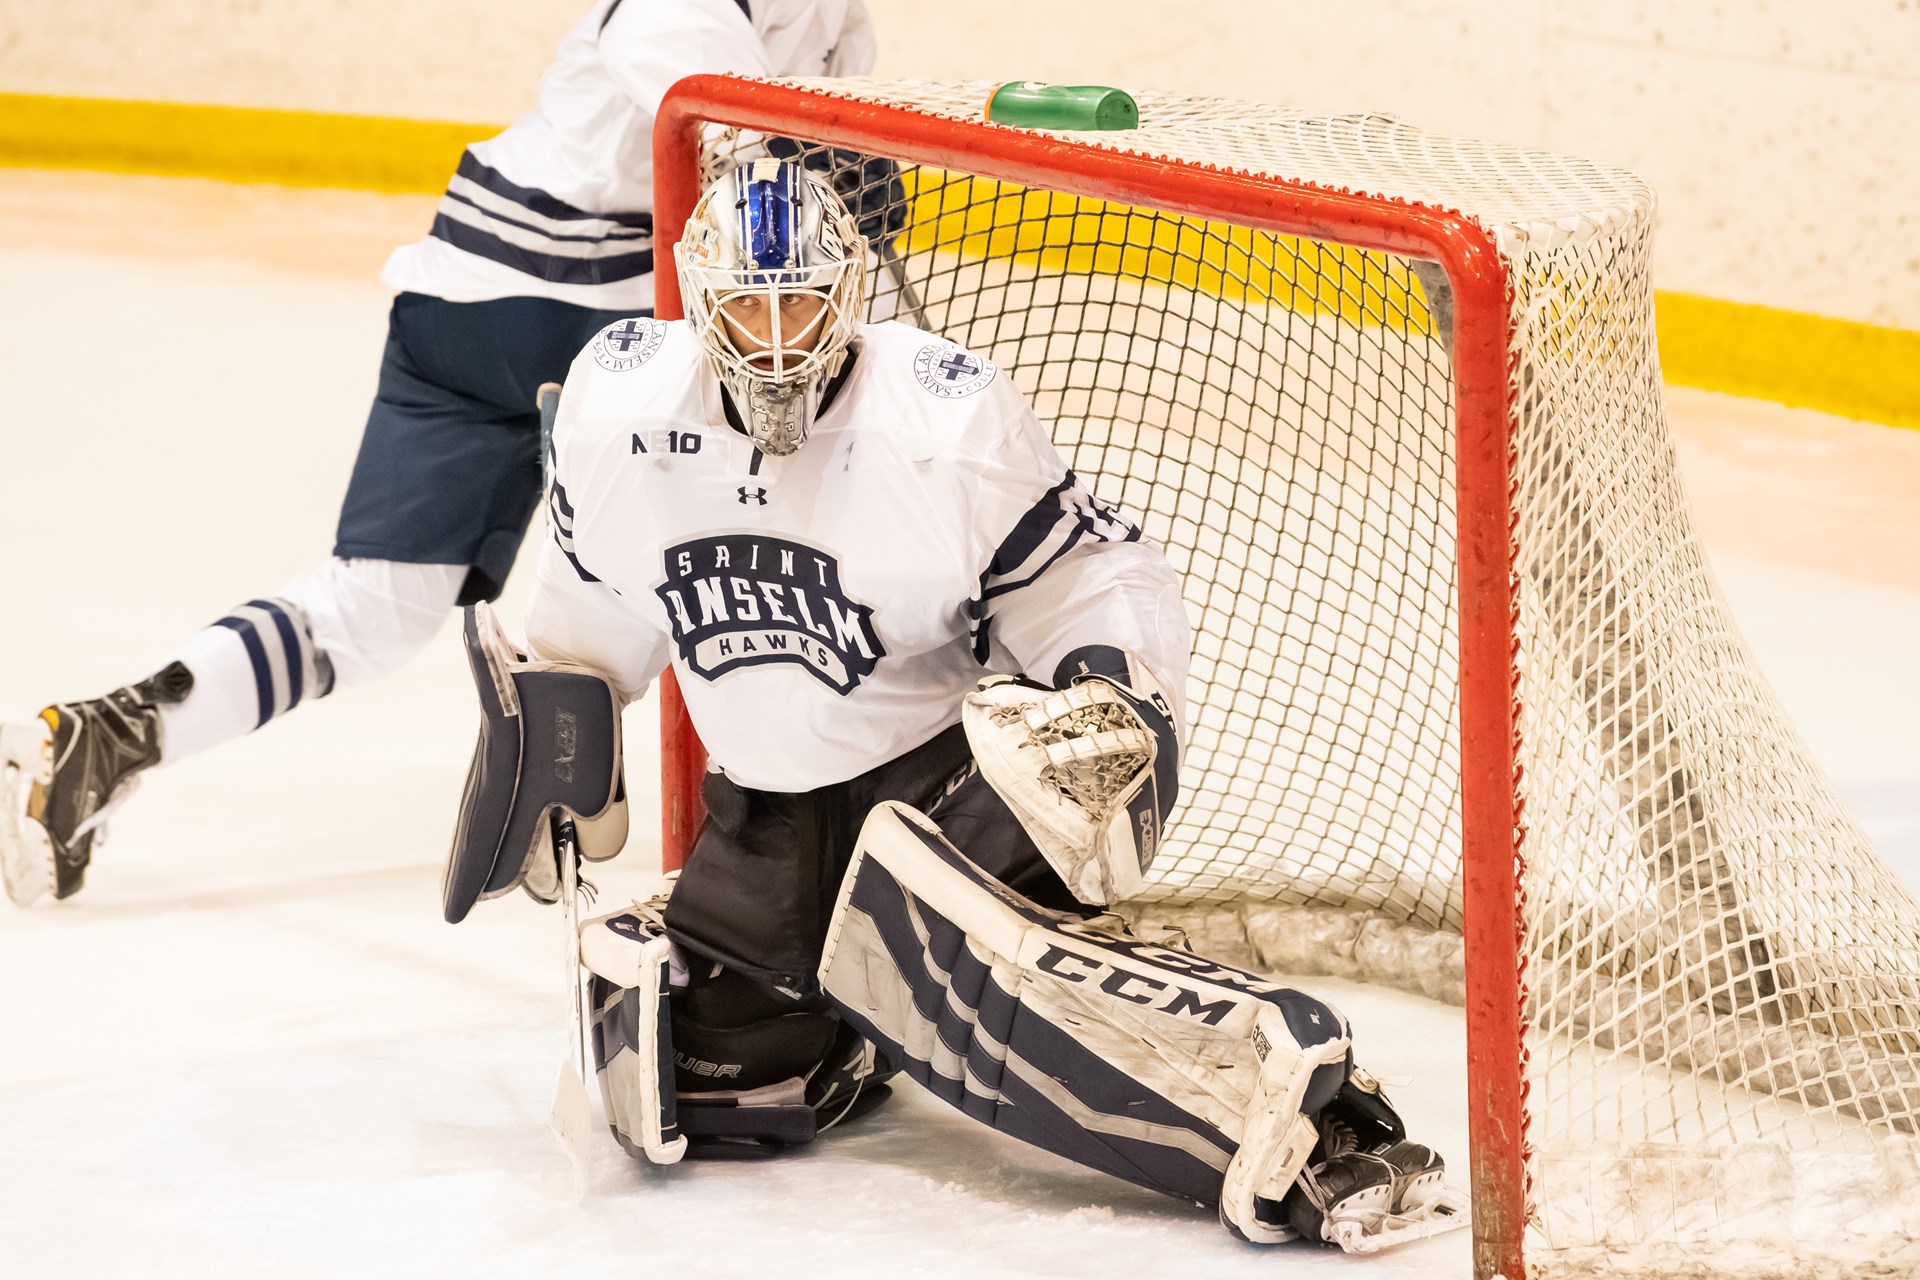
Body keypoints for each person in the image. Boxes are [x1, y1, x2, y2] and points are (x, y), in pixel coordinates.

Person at [445, 160, 1467, 1251]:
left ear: (850, 295)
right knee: (696, 1070)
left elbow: (1082, 569)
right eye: (750, 304)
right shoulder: (625, 415)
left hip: (937, 794)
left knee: (963, 981)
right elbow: (589, 604)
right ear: (699, 301)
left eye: (804, 301)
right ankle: (845, 1029)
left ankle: (1307, 1109)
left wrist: (1111, 684)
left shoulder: (943, 415)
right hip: (761, 815)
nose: (780, 336)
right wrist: (555, 730)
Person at [0, 0, 881, 905]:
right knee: (729, 551)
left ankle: (104, 738)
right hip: (585, 313)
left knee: (376, 602)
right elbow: (756, 187)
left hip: (457, 302)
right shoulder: (686, 10)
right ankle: (664, 792)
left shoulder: (822, 16)